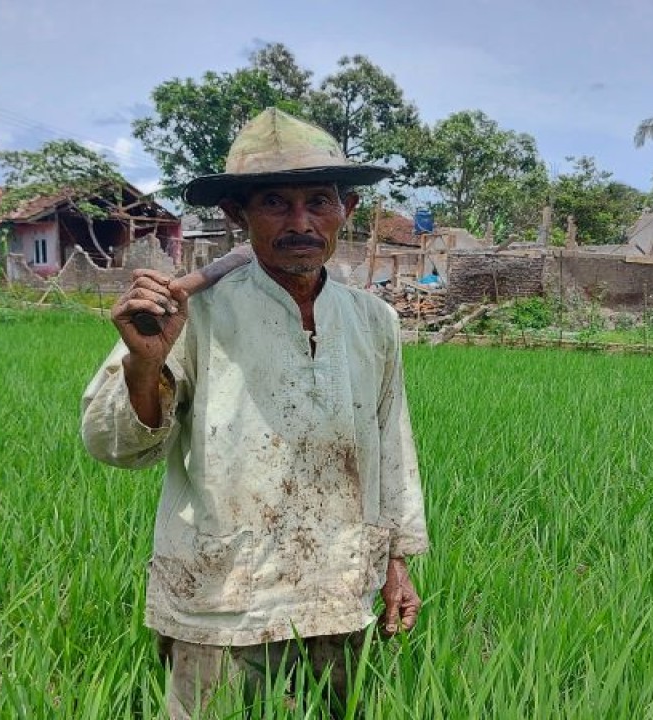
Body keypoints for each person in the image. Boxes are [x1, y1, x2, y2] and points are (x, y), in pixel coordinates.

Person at [80, 107, 429, 718]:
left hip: (339, 582)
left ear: (346, 209)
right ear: (237, 215)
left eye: (319, 201)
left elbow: (391, 441)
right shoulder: (189, 312)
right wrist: (143, 364)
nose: (301, 222)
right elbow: (116, 447)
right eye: (275, 203)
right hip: (224, 589)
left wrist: (396, 561)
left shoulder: (375, 321)